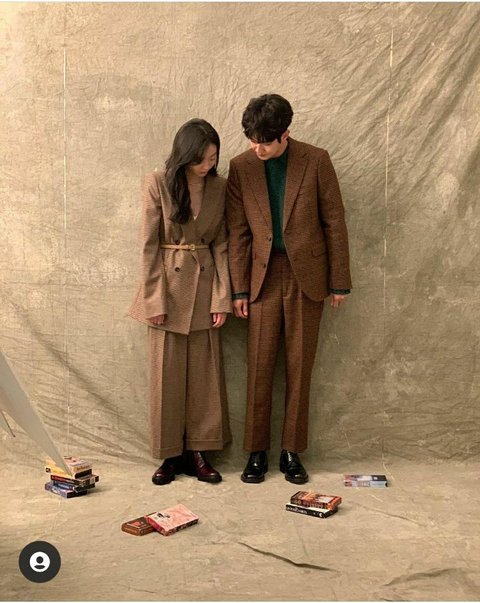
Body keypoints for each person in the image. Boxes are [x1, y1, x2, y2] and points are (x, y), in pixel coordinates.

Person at [226, 94, 352, 484]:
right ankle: (256, 452)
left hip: (307, 276)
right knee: (259, 367)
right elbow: (237, 232)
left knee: (300, 367)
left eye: (265, 141)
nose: (257, 148)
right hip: (260, 278)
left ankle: (291, 452)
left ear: (285, 134)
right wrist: (238, 290)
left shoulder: (316, 160)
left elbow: (334, 222)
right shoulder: (241, 166)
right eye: (252, 140)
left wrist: (339, 281)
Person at [129, 118, 232, 485]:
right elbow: (148, 245)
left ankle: (200, 452)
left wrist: (222, 298)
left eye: (213, 159)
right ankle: (170, 453)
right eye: (202, 159)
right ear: (185, 155)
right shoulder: (158, 182)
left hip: (205, 286)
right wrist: (153, 300)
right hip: (167, 291)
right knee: (166, 376)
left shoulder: (219, 187)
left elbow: (222, 243)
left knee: (205, 376)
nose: (208, 166)